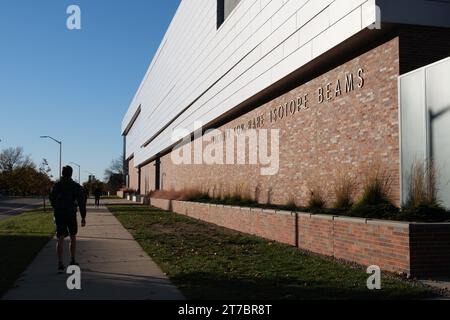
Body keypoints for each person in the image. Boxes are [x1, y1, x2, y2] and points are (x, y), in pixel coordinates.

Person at [50, 165, 87, 273]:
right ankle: (72, 259)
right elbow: (81, 202)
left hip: (59, 214)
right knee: (73, 236)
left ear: (62, 173)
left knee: (60, 238)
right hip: (71, 214)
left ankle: (60, 263)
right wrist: (83, 217)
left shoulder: (56, 185)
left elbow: (51, 199)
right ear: (71, 173)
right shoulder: (75, 186)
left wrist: (57, 207)